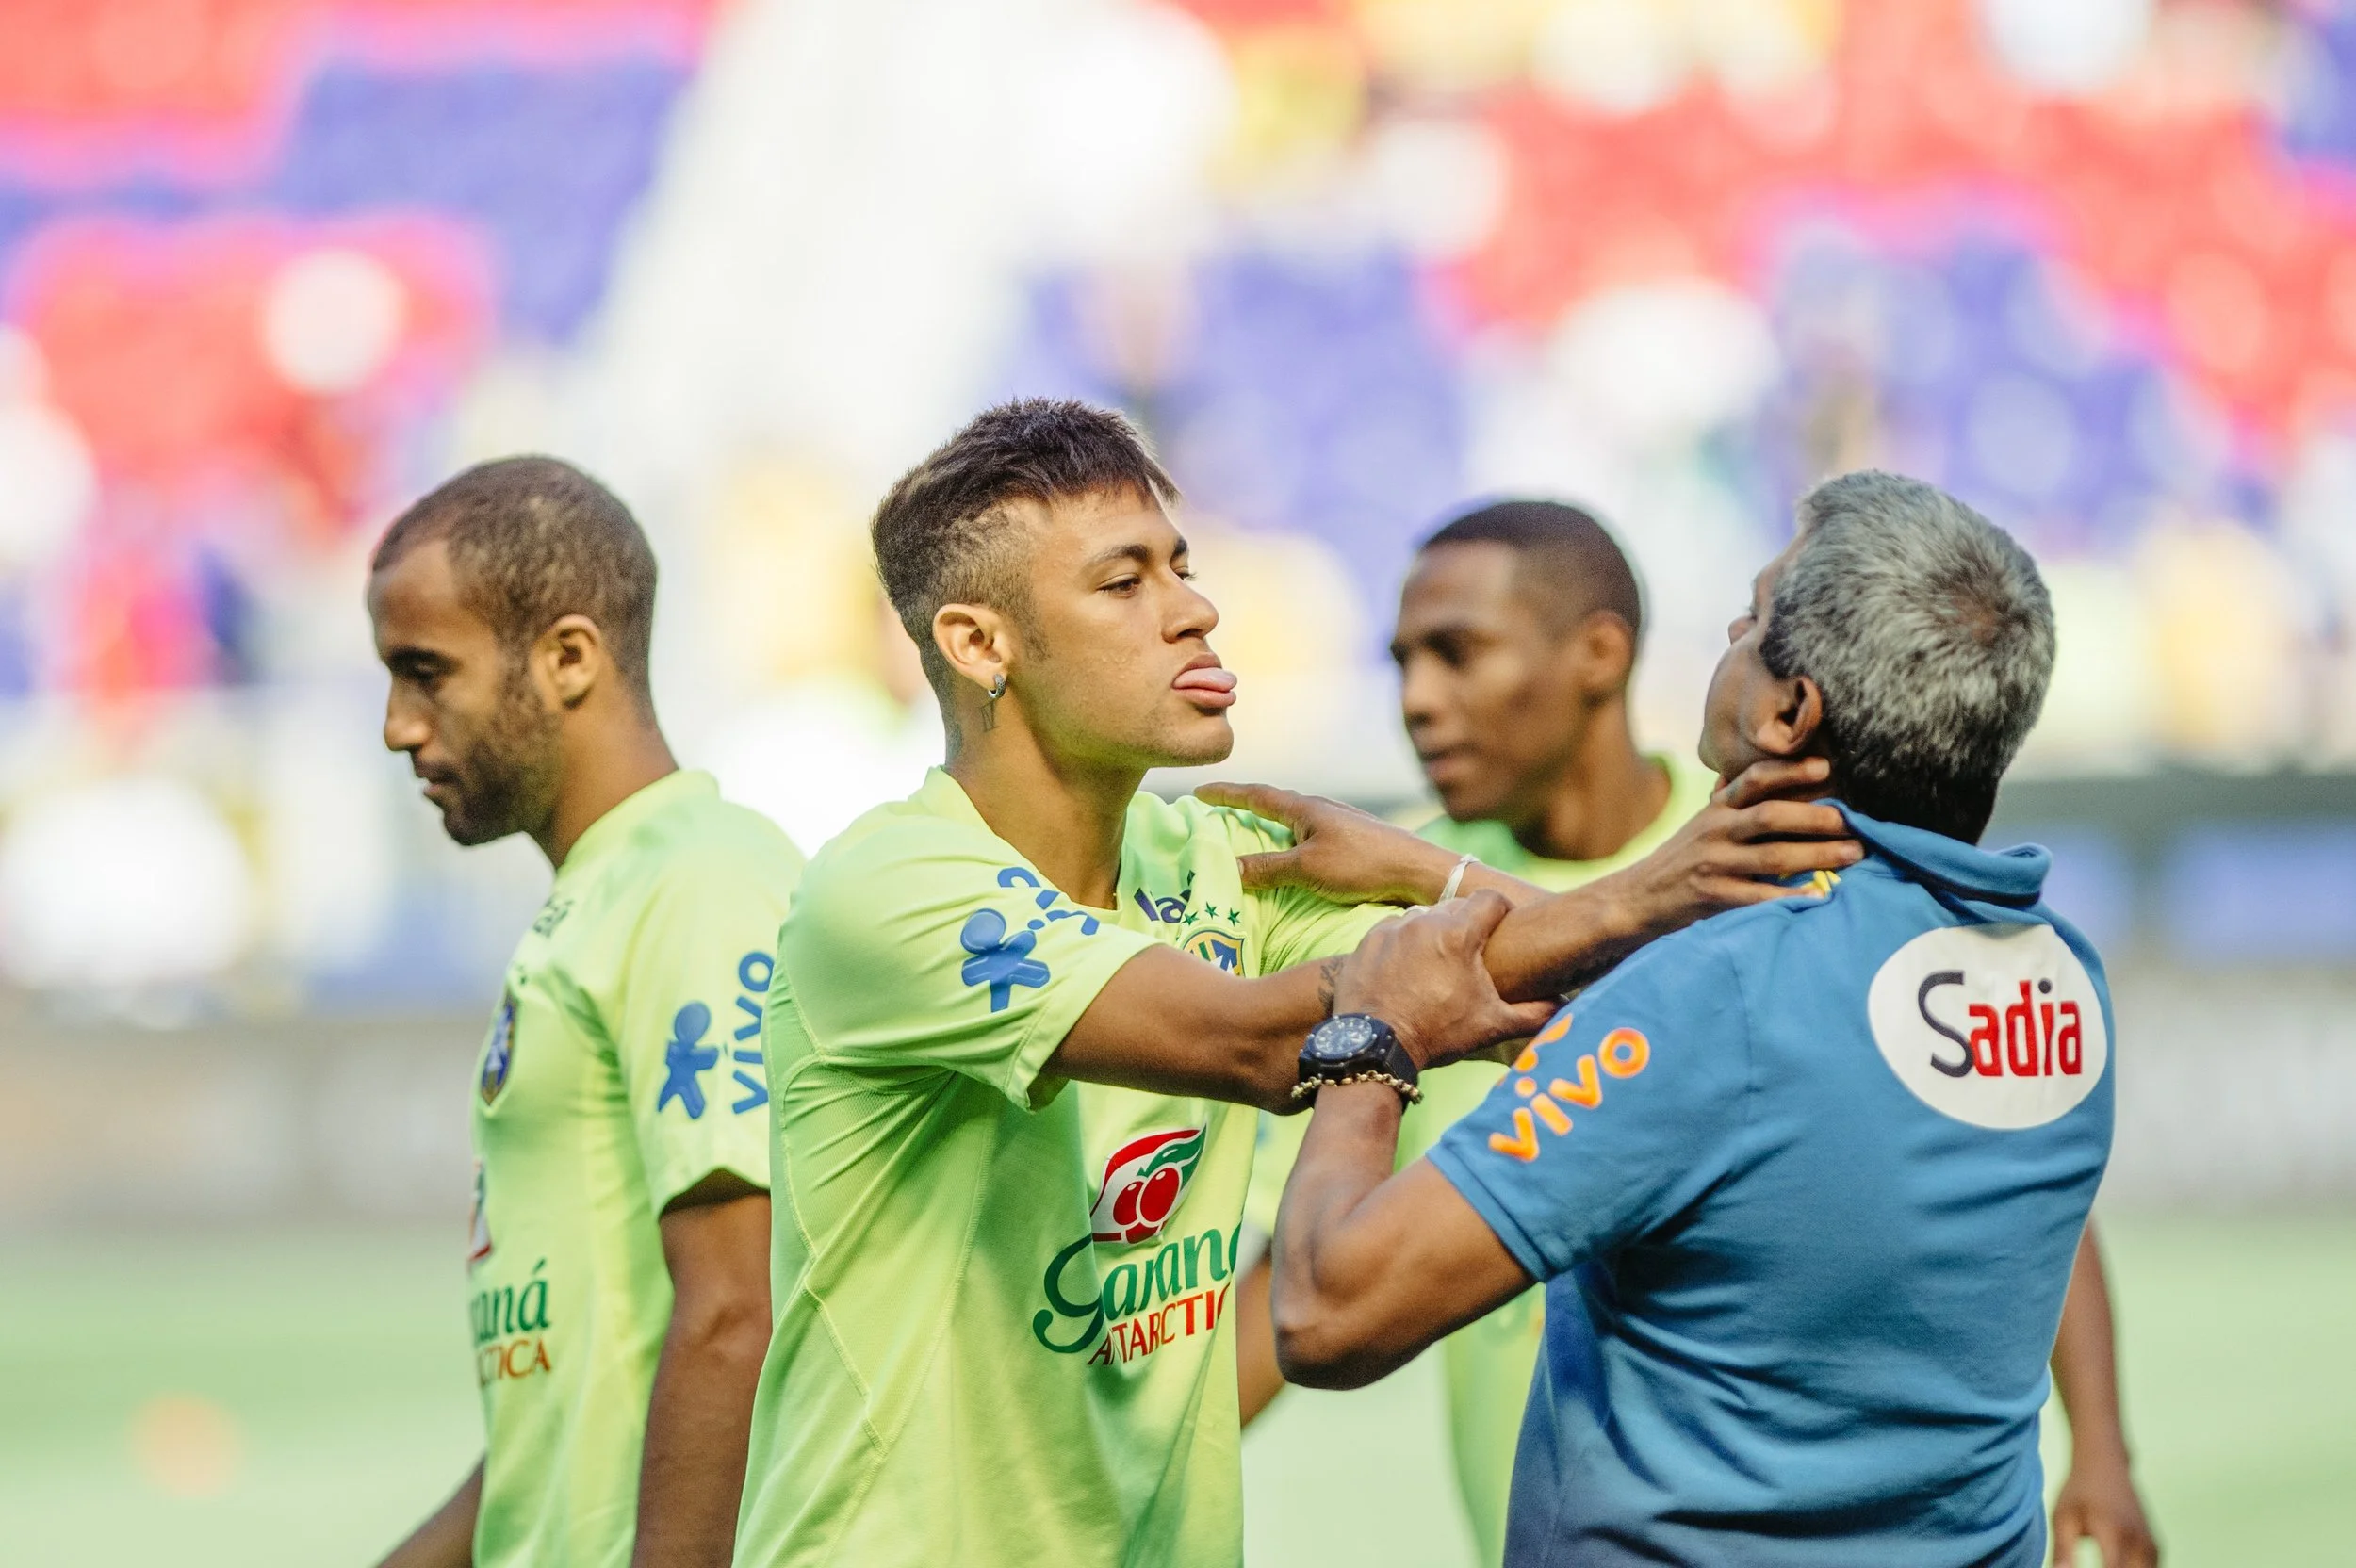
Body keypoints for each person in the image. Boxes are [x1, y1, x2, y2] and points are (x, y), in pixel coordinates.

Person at [726, 400, 1860, 1568]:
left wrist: (1437, 871)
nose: (1196, 609)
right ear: (979, 644)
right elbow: (1254, 1037)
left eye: (1183, 566)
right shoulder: (891, 881)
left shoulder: (1210, 854)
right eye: (1124, 584)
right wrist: (1657, 886)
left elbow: (1522, 978)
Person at [1263, 471, 2157, 1567]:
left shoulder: (1714, 996)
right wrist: (1430, 866)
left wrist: (1372, 1034)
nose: (1726, 637)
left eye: (1750, 618)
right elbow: (1765, 1044)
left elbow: (1327, 1311)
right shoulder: (2060, 982)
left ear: (1788, 712)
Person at [368, 458, 802, 1568]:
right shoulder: (601, 896)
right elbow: (562, 1411)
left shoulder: (696, 880)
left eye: (426, 673)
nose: (397, 726)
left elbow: (736, 1309)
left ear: (568, 657)